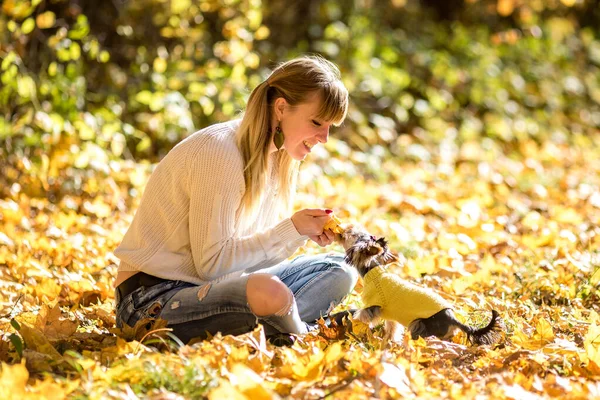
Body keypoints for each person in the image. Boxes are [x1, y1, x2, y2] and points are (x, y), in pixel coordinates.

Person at [113, 55, 358, 345]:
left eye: (330, 126)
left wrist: (300, 233)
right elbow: (213, 265)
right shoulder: (219, 152)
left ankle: (280, 324)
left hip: (216, 288)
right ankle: (302, 333)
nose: (324, 137)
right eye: (317, 122)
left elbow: (245, 262)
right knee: (267, 291)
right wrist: (290, 229)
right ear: (281, 108)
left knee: (340, 268)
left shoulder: (277, 159)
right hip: (151, 302)